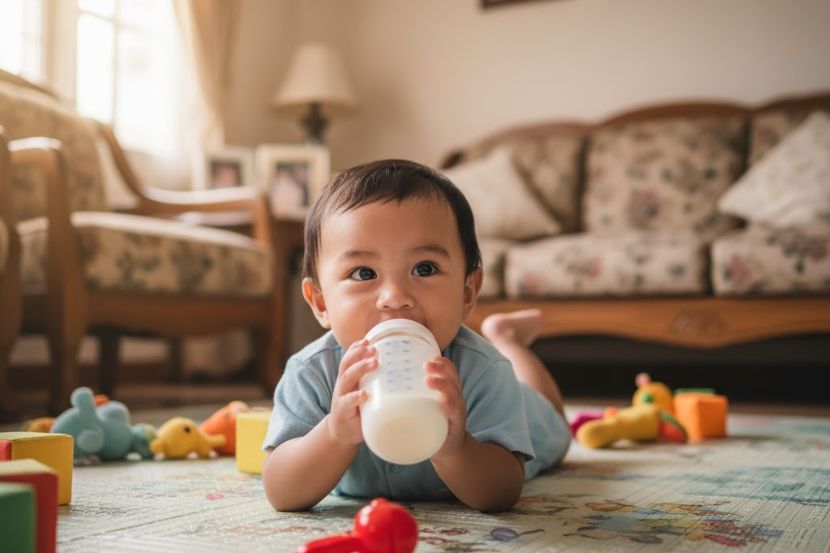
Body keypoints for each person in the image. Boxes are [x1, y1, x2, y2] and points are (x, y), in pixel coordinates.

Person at [261, 159, 570, 512]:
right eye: (363, 273)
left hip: (525, 412)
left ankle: (508, 340)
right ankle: (504, 333)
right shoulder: (311, 373)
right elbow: (281, 492)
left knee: (556, 425)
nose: (395, 298)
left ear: (468, 292)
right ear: (320, 302)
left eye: (424, 269)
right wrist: (334, 434)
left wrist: (456, 448)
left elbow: (500, 493)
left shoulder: (484, 371)